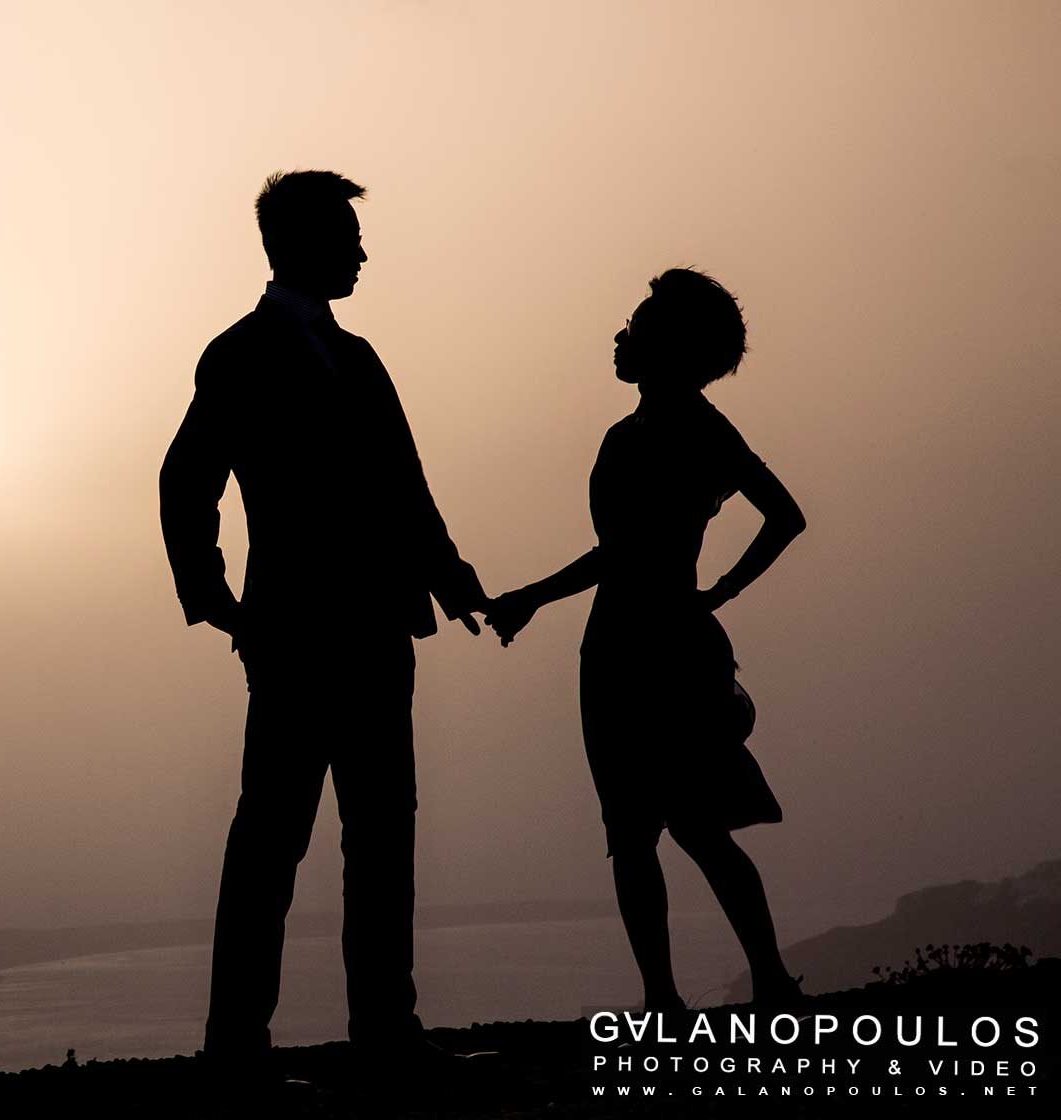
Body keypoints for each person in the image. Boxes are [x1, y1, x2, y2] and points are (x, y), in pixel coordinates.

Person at [158, 171, 488, 1073]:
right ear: (300, 242)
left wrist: (453, 580)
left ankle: (386, 1026)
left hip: (380, 626)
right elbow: (187, 481)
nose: (363, 251)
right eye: (348, 234)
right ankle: (235, 1044)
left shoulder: (363, 357)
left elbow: (405, 488)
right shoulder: (238, 355)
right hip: (295, 633)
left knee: (383, 831)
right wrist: (217, 599)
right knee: (273, 836)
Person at [485, 269, 806, 1014]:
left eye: (637, 327)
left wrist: (715, 593)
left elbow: (770, 519)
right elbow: (630, 549)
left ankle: (754, 985)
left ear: (673, 346)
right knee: (641, 834)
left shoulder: (696, 427)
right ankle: (686, 996)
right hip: (623, 649)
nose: (622, 338)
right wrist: (712, 595)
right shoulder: (632, 431)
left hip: (657, 652)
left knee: (679, 828)